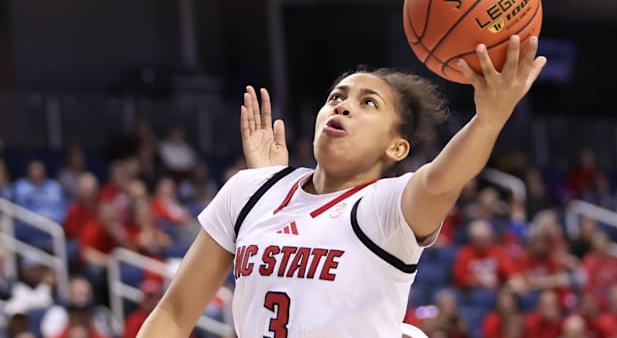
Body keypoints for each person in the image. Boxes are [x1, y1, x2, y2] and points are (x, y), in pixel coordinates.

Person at [138, 35, 546, 337]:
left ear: (397, 146)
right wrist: (267, 184)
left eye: (369, 103)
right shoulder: (250, 191)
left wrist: (489, 120)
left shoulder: (385, 208)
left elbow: (443, 180)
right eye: (337, 96)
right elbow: (174, 312)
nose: (343, 105)